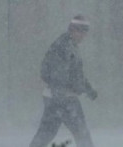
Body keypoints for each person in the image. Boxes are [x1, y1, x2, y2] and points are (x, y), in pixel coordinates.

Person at [29, 15, 98, 147]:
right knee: (82, 135)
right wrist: (61, 97)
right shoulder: (63, 47)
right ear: (73, 30)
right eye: (82, 32)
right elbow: (56, 75)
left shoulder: (69, 45)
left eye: (85, 32)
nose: (84, 36)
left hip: (56, 98)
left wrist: (88, 89)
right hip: (65, 99)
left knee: (46, 133)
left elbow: (77, 74)